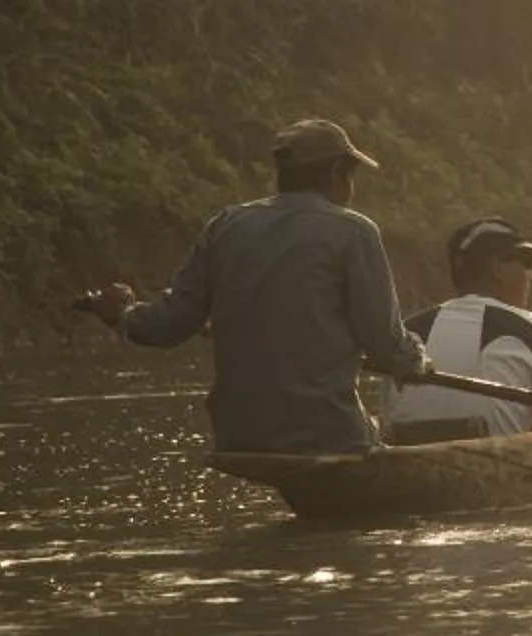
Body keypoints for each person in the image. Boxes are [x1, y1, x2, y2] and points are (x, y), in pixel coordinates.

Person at [74, 118, 430, 454]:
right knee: (386, 433)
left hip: (238, 434)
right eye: (351, 176)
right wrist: (415, 362)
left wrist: (123, 313)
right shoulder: (354, 232)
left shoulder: (226, 225)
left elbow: (166, 326)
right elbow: (384, 345)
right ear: (338, 173)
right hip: (327, 433)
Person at [381, 217, 532, 443]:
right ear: (498, 269)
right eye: (526, 264)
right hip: (493, 473)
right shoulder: (531, 329)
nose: (531, 275)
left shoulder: (405, 333)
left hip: (406, 471)